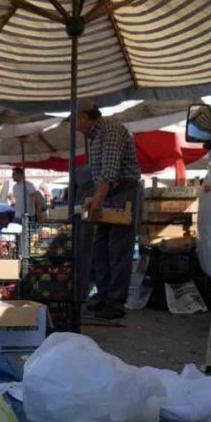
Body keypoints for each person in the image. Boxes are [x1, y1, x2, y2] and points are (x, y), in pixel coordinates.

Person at [74, 98, 143, 320]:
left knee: (118, 250)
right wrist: (94, 197)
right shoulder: (95, 137)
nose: (76, 127)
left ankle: (116, 302)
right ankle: (103, 296)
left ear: (83, 117)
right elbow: (101, 174)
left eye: (76, 122)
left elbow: (110, 171)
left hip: (122, 193)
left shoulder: (111, 130)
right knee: (100, 249)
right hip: (108, 194)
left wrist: (98, 198)